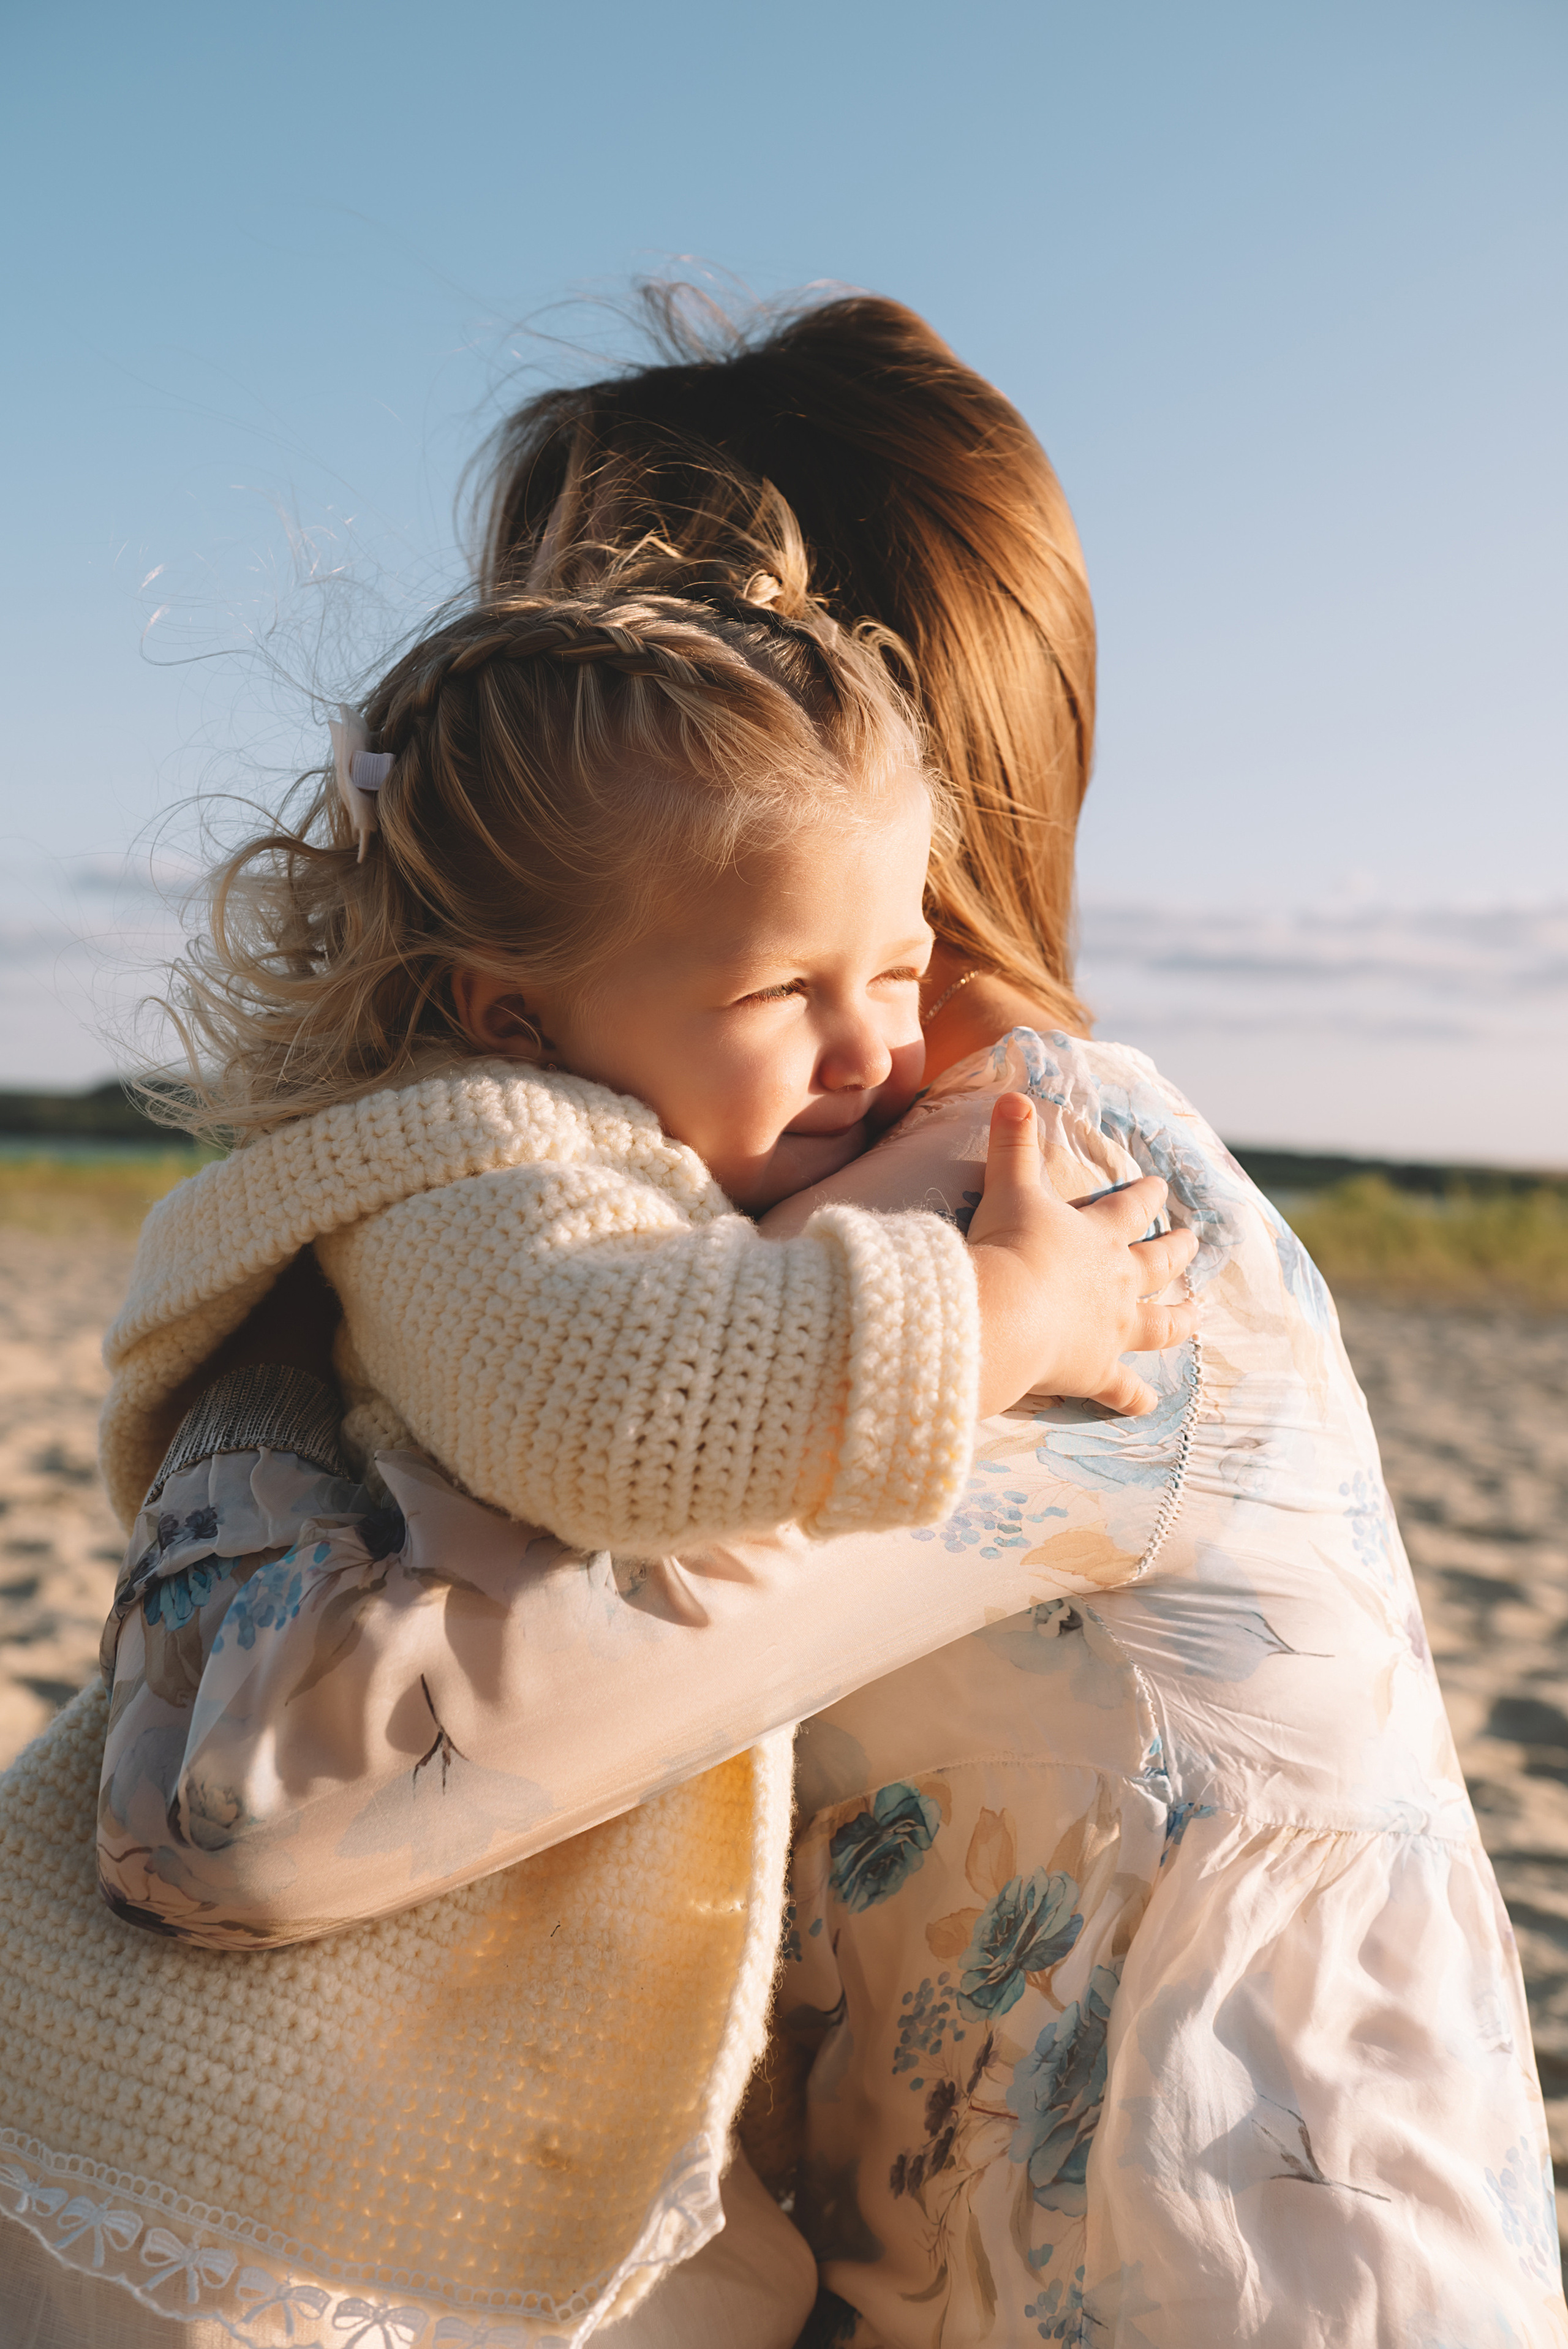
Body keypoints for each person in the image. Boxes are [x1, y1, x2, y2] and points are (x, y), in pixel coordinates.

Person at [1, 293, 1559, 2349]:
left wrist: (258, 1372)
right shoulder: (690, 1201)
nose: (500, 726)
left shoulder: (1041, 1209)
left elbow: (262, 1811)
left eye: (597, 640)